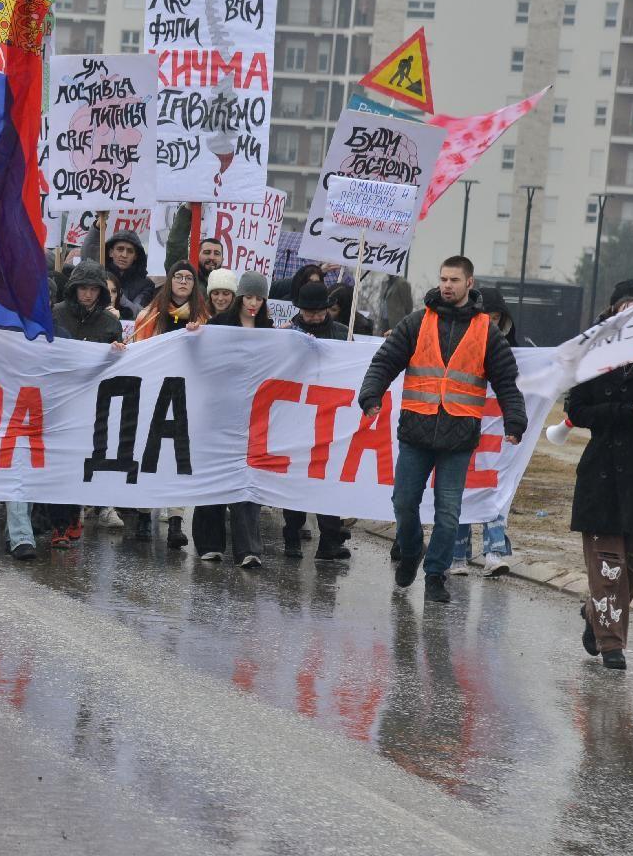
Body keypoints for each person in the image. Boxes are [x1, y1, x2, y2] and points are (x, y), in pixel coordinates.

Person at [358, 256, 527, 605]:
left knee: (448, 514)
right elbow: (385, 361)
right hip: (416, 431)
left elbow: (507, 382)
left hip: (459, 436)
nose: (447, 285)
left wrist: (515, 420)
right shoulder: (417, 322)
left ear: (470, 283)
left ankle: (436, 574)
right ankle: (411, 551)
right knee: (403, 502)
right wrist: (371, 394)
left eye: (454, 280)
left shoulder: (486, 331)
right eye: (443, 279)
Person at [25, 260, 123, 553]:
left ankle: (71, 515)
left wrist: (118, 352)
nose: (88, 295)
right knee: (57, 461)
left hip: (90, 401)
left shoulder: (110, 324)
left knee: (79, 461)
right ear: (74, 289)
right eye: (83, 289)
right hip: (56, 398)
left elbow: (119, 366)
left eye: (94, 289)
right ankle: (58, 524)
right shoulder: (56, 315)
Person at [570, 282, 633, 670]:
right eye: (626, 306)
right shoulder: (593, 352)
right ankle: (612, 645)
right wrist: (626, 412)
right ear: (613, 311)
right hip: (602, 475)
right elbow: (577, 410)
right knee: (608, 566)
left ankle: (593, 611)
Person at [190, 270, 271, 568]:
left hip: (253, 416)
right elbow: (201, 359)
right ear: (240, 297)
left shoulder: (269, 331)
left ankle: (248, 548)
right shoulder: (219, 326)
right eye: (249, 297)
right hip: (218, 412)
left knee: (248, 478)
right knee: (214, 474)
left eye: (259, 298)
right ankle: (209, 544)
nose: (253, 303)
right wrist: (194, 337)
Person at [125, 261, 208, 548]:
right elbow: (135, 351)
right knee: (149, 453)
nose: (183, 282)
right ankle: (144, 514)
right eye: (178, 277)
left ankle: (175, 520)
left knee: (180, 456)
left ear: (194, 285)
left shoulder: (205, 320)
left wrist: (199, 337)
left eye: (188, 278)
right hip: (154, 391)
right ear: (170, 281)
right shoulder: (149, 316)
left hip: (188, 393)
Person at [276, 281, 356, 561]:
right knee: (296, 479)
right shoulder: (288, 334)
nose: (313, 317)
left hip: (331, 416)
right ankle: (292, 536)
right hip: (296, 416)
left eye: (318, 312)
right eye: (308, 313)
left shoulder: (342, 334)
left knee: (329, 479)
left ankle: (330, 540)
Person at [449, 285, 519, 577]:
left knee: (495, 488)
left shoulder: (514, 353)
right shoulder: (456, 342)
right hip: (462, 425)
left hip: (498, 431)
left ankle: (494, 552)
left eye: (496, 318)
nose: (491, 323)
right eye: (485, 317)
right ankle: (457, 555)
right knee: (462, 489)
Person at [81, 227, 154, 317]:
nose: (124, 255)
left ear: (136, 256)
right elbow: (88, 255)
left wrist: (118, 293)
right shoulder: (100, 274)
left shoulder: (146, 285)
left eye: (130, 251)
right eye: (120, 249)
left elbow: (138, 312)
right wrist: (97, 227)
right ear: (111, 253)